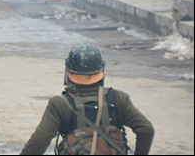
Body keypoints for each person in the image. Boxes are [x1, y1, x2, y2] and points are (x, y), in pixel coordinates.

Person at [21, 43, 155, 155]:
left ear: (69, 72)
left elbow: (39, 141)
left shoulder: (60, 104)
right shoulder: (119, 99)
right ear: (100, 72)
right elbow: (146, 129)